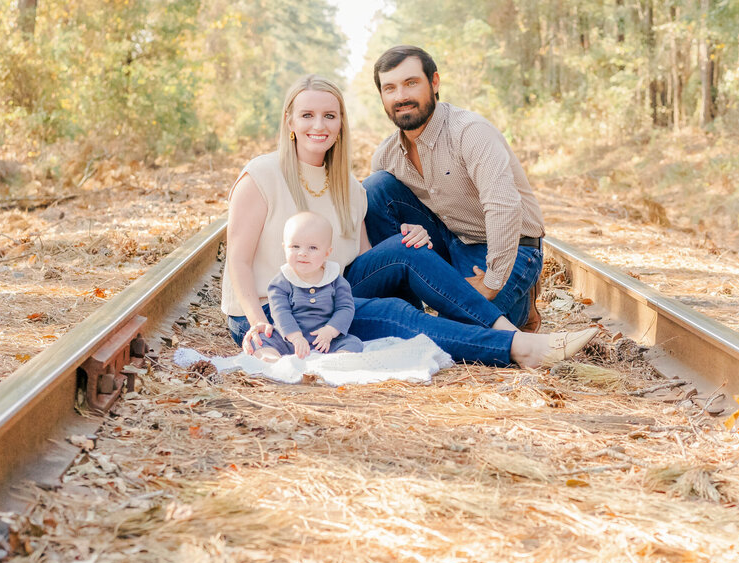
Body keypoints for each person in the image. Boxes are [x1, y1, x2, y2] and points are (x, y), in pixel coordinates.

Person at [221, 73, 596, 368]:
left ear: (339, 125)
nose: (318, 125)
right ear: (290, 120)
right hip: (273, 311)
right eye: (307, 115)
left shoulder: (348, 187)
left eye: (329, 116)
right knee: (397, 314)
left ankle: (505, 330)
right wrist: (256, 322)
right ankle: (517, 347)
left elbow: (366, 260)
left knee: (404, 253)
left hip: (332, 298)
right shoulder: (262, 175)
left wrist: (406, 240)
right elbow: (237, 259)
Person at [365, 45, 544, 331]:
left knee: (466, 332)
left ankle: (523, 294)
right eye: (390, 88)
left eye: (411, 83)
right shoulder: (386, 155)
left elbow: (504, 207)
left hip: (509, 244)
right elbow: (375, 219)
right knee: (375, 188)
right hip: (450, 239)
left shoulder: (470, 131)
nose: (401, 97)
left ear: (434, 83)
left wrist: (493, 280)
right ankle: (408, 306)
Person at [252, 211, 365, 362]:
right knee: (260, 340)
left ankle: (337, 360)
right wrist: (296, 337)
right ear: (285, 248)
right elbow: (281, 312)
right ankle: (275, 361)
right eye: (295, 246)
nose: (302, 253)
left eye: (312, 248)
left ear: (327, 252)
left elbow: (345, 308)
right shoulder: (281, 282)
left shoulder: (335, 280)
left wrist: (330, 331)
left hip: (324, 339)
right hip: (289, 341)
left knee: (354, 343)